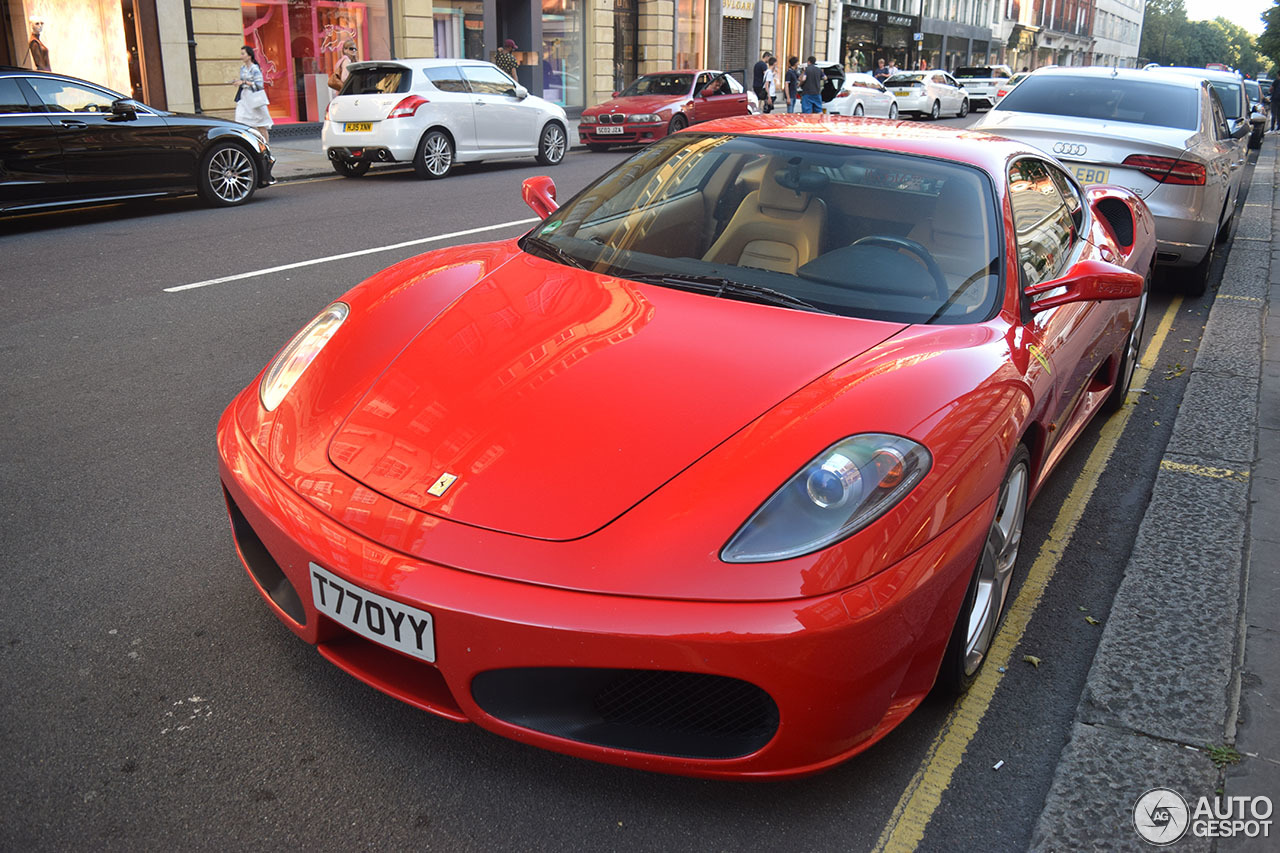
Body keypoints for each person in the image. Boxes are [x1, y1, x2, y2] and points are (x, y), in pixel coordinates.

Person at [235, 44, 273, 142]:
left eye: (243, 54)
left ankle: (266, 147)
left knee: (261, 124)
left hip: (254, 99)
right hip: (244, 98)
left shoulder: (255, 69)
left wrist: (244, 82)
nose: (241, 56)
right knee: (241, 121)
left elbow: (259, 85)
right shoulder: (243, 69)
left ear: (249, 56)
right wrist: (238, 82)